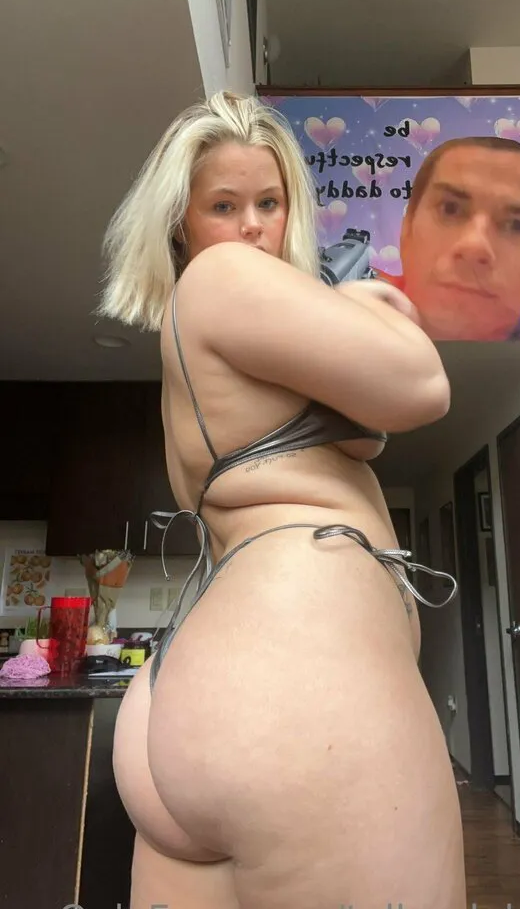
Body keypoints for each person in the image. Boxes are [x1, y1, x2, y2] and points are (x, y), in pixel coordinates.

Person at [99, 91, 465, 909]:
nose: (252, 227)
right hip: (298, 686)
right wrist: (363, 302)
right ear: (180, 225)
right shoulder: (222, 278)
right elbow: (420, 383)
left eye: (270, 203)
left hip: (205, 688)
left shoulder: (208, 333)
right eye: (223, 206)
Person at [380, 137, 520, 341]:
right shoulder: (354, 295)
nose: (474, 245)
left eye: (518, 225)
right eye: (450, 209)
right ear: (407, 225)